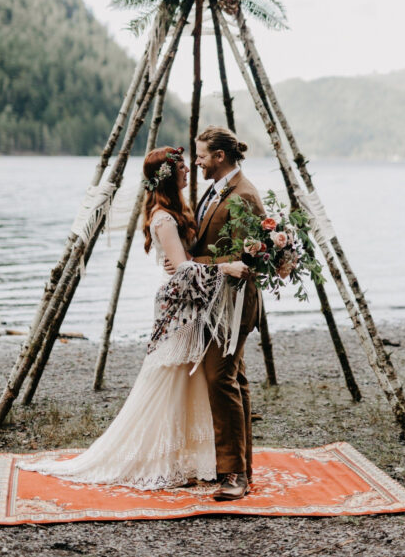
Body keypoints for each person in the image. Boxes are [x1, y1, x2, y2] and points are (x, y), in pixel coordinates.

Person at [16, 145, 249, 491]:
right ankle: (155, 456)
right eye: (182, 168)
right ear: (169, 177)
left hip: (191, 308)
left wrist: (190, 262)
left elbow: (185, 261)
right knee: (166, 383)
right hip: (179, 311)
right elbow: (183, 270)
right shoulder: (163, 218)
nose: (189, 171)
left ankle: (191, 457)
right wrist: (224, 266)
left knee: (186, 384)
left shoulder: (178, 209)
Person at [165, 126, 264, 501]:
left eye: (201, 155)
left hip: (234, 305)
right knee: (233, 378)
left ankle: (234, 475)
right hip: (214, 300)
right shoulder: (218, 188)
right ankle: (242, 466)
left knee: (220, 378)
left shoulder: (246, 196)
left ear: (219, 156)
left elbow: (246, 259)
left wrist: (188, 262)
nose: (197, 162)